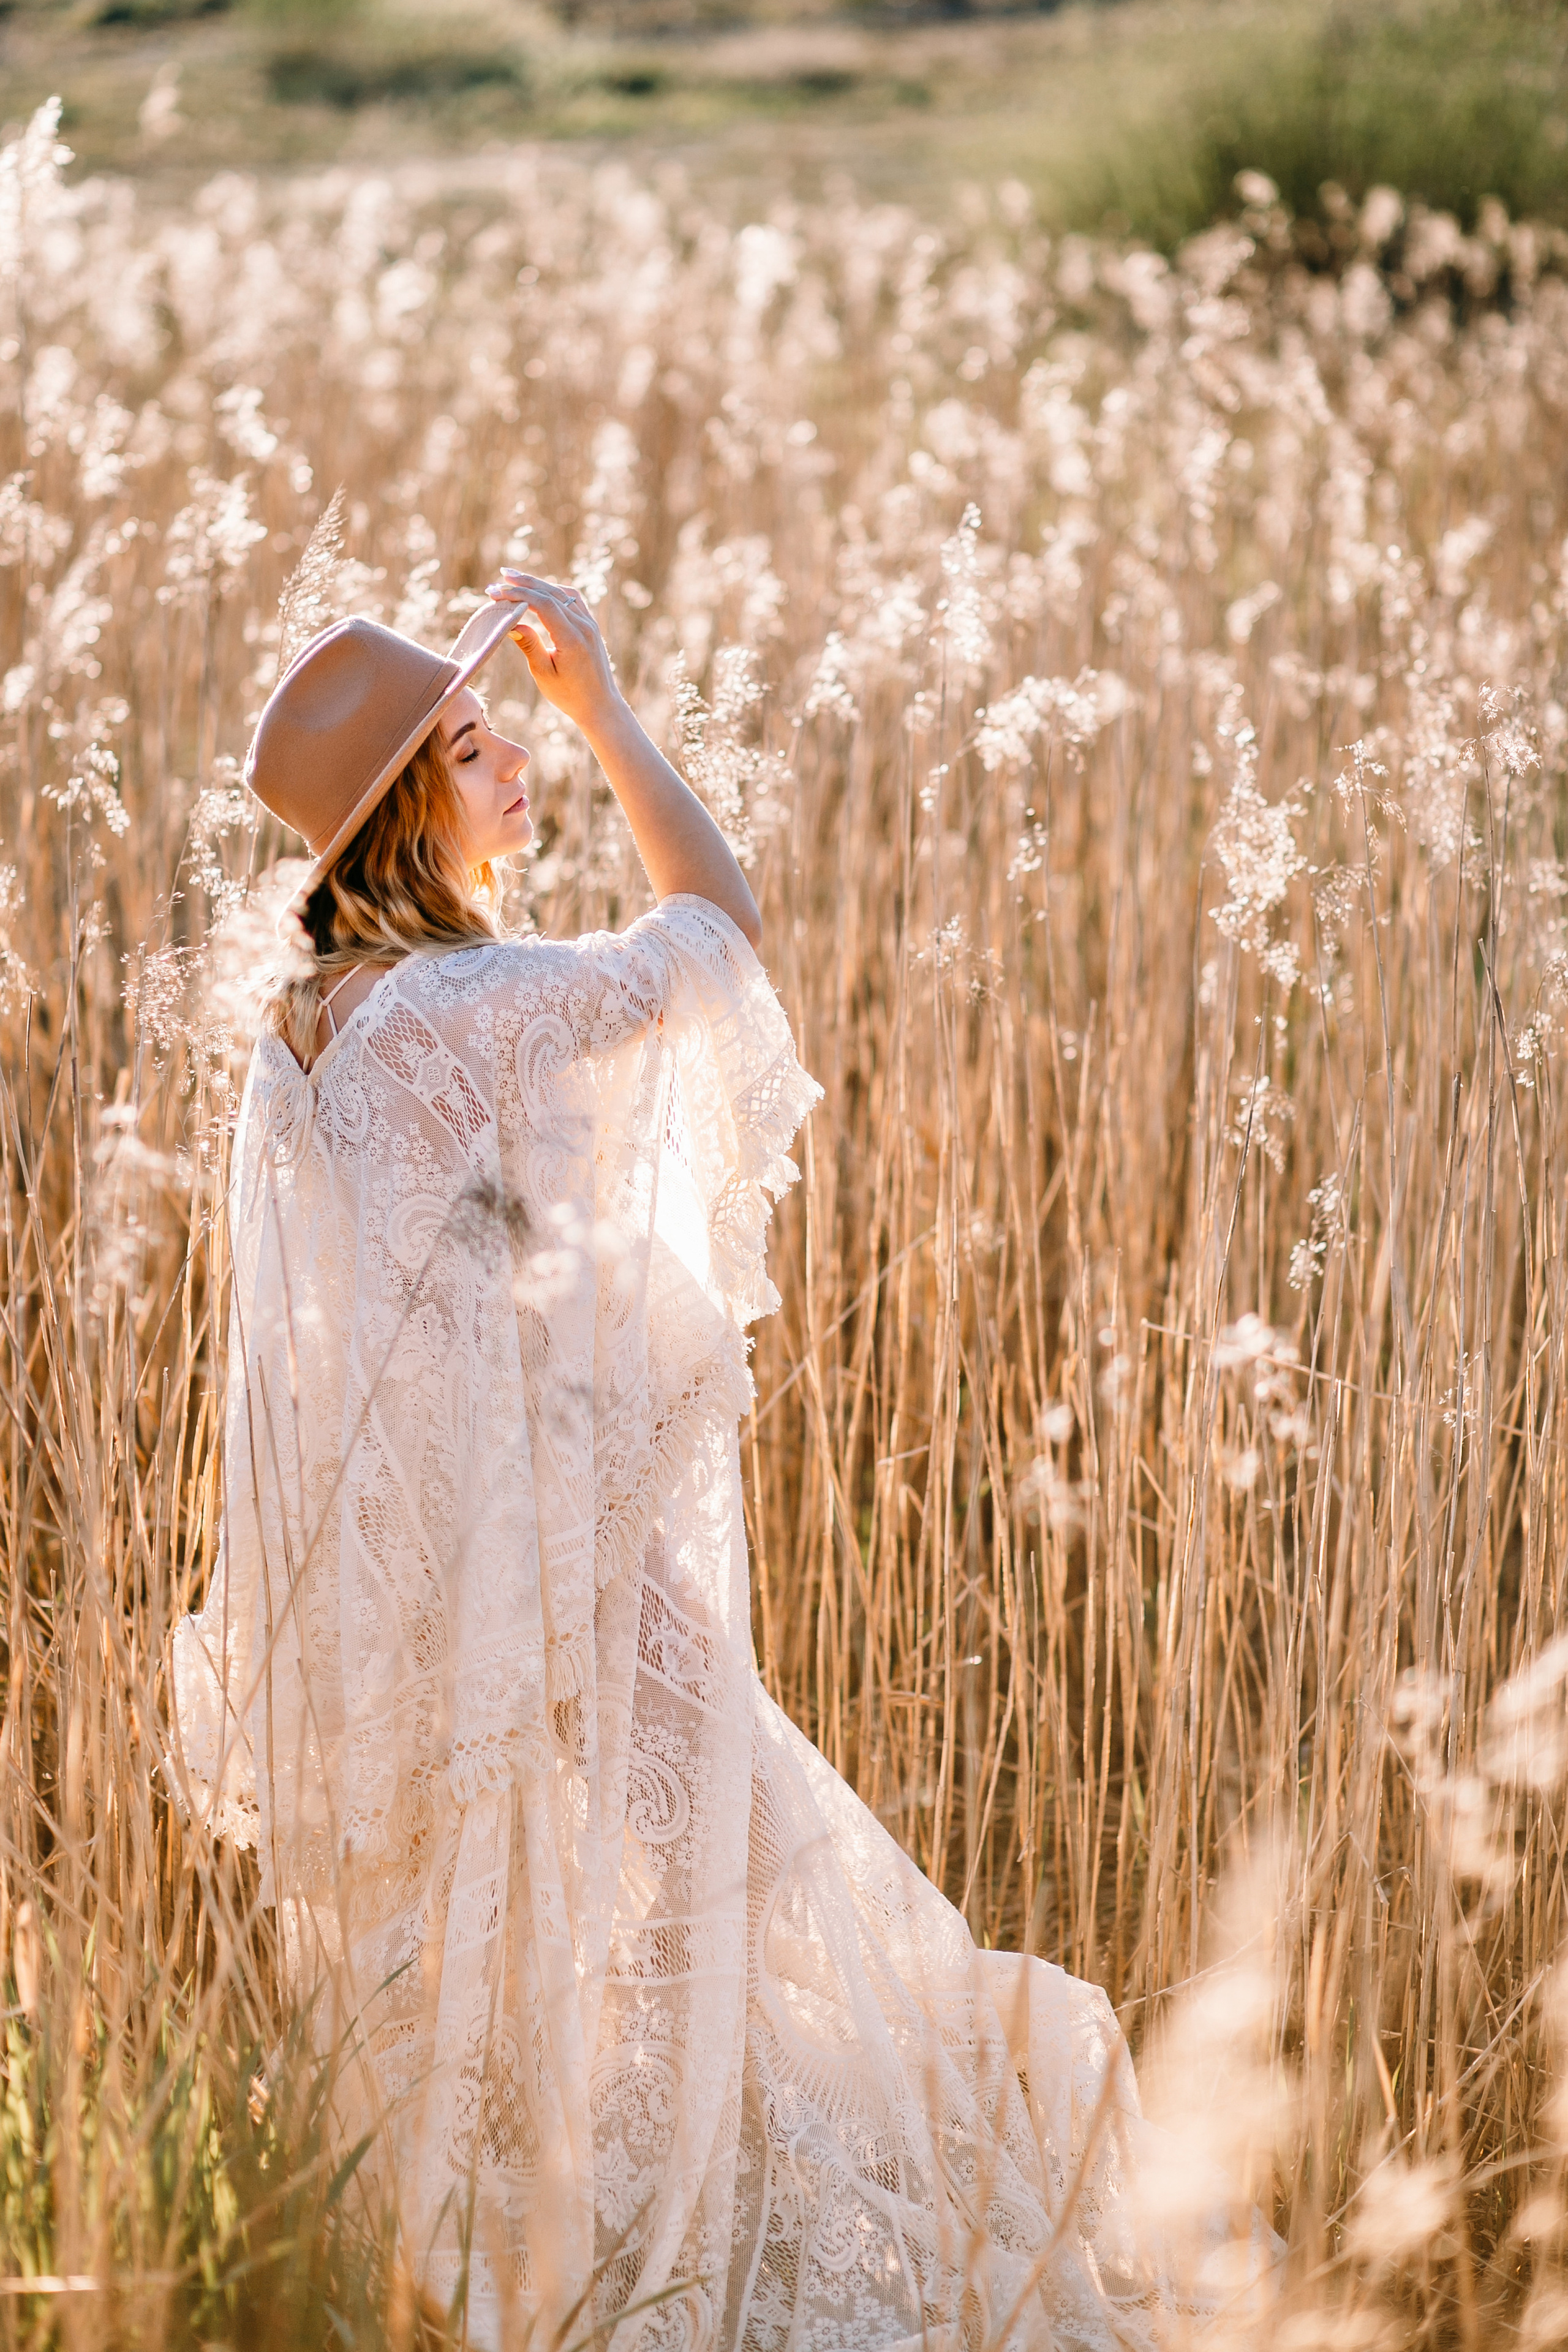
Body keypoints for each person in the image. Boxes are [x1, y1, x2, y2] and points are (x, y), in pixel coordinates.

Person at [172, 570, 1248, 2350]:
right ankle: (701, 2264)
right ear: (405, 813)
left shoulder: (301, 1039)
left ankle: (534, 2266)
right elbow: (718, 928)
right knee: (745, 1900)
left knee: (547, 1945)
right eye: (473, 747)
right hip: (562, 1577)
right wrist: (604, 707)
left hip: (428, 1602)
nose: (513, 760)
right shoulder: (467, 1004)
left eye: (507, 731)